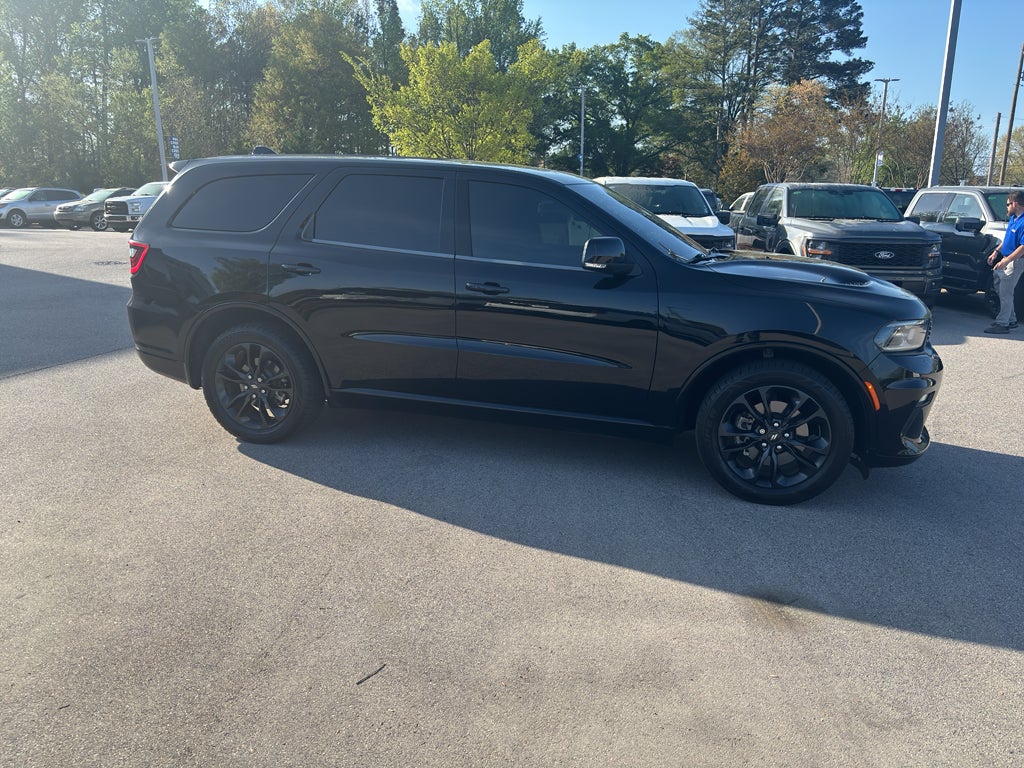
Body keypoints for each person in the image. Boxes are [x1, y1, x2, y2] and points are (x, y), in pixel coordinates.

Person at [985, 190, 1024, 333]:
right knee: (999, 286)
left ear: (1015, 203)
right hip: (1005, 259)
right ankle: (1011, 319)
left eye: (1008, 204)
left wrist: (1007, 260)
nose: (1006, 207)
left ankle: (1002, 324)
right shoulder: (1013, 219)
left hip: (1016, 261)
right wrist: (996, 252)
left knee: (1006, 292)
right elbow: (1007, 240)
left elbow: (1023, 247)